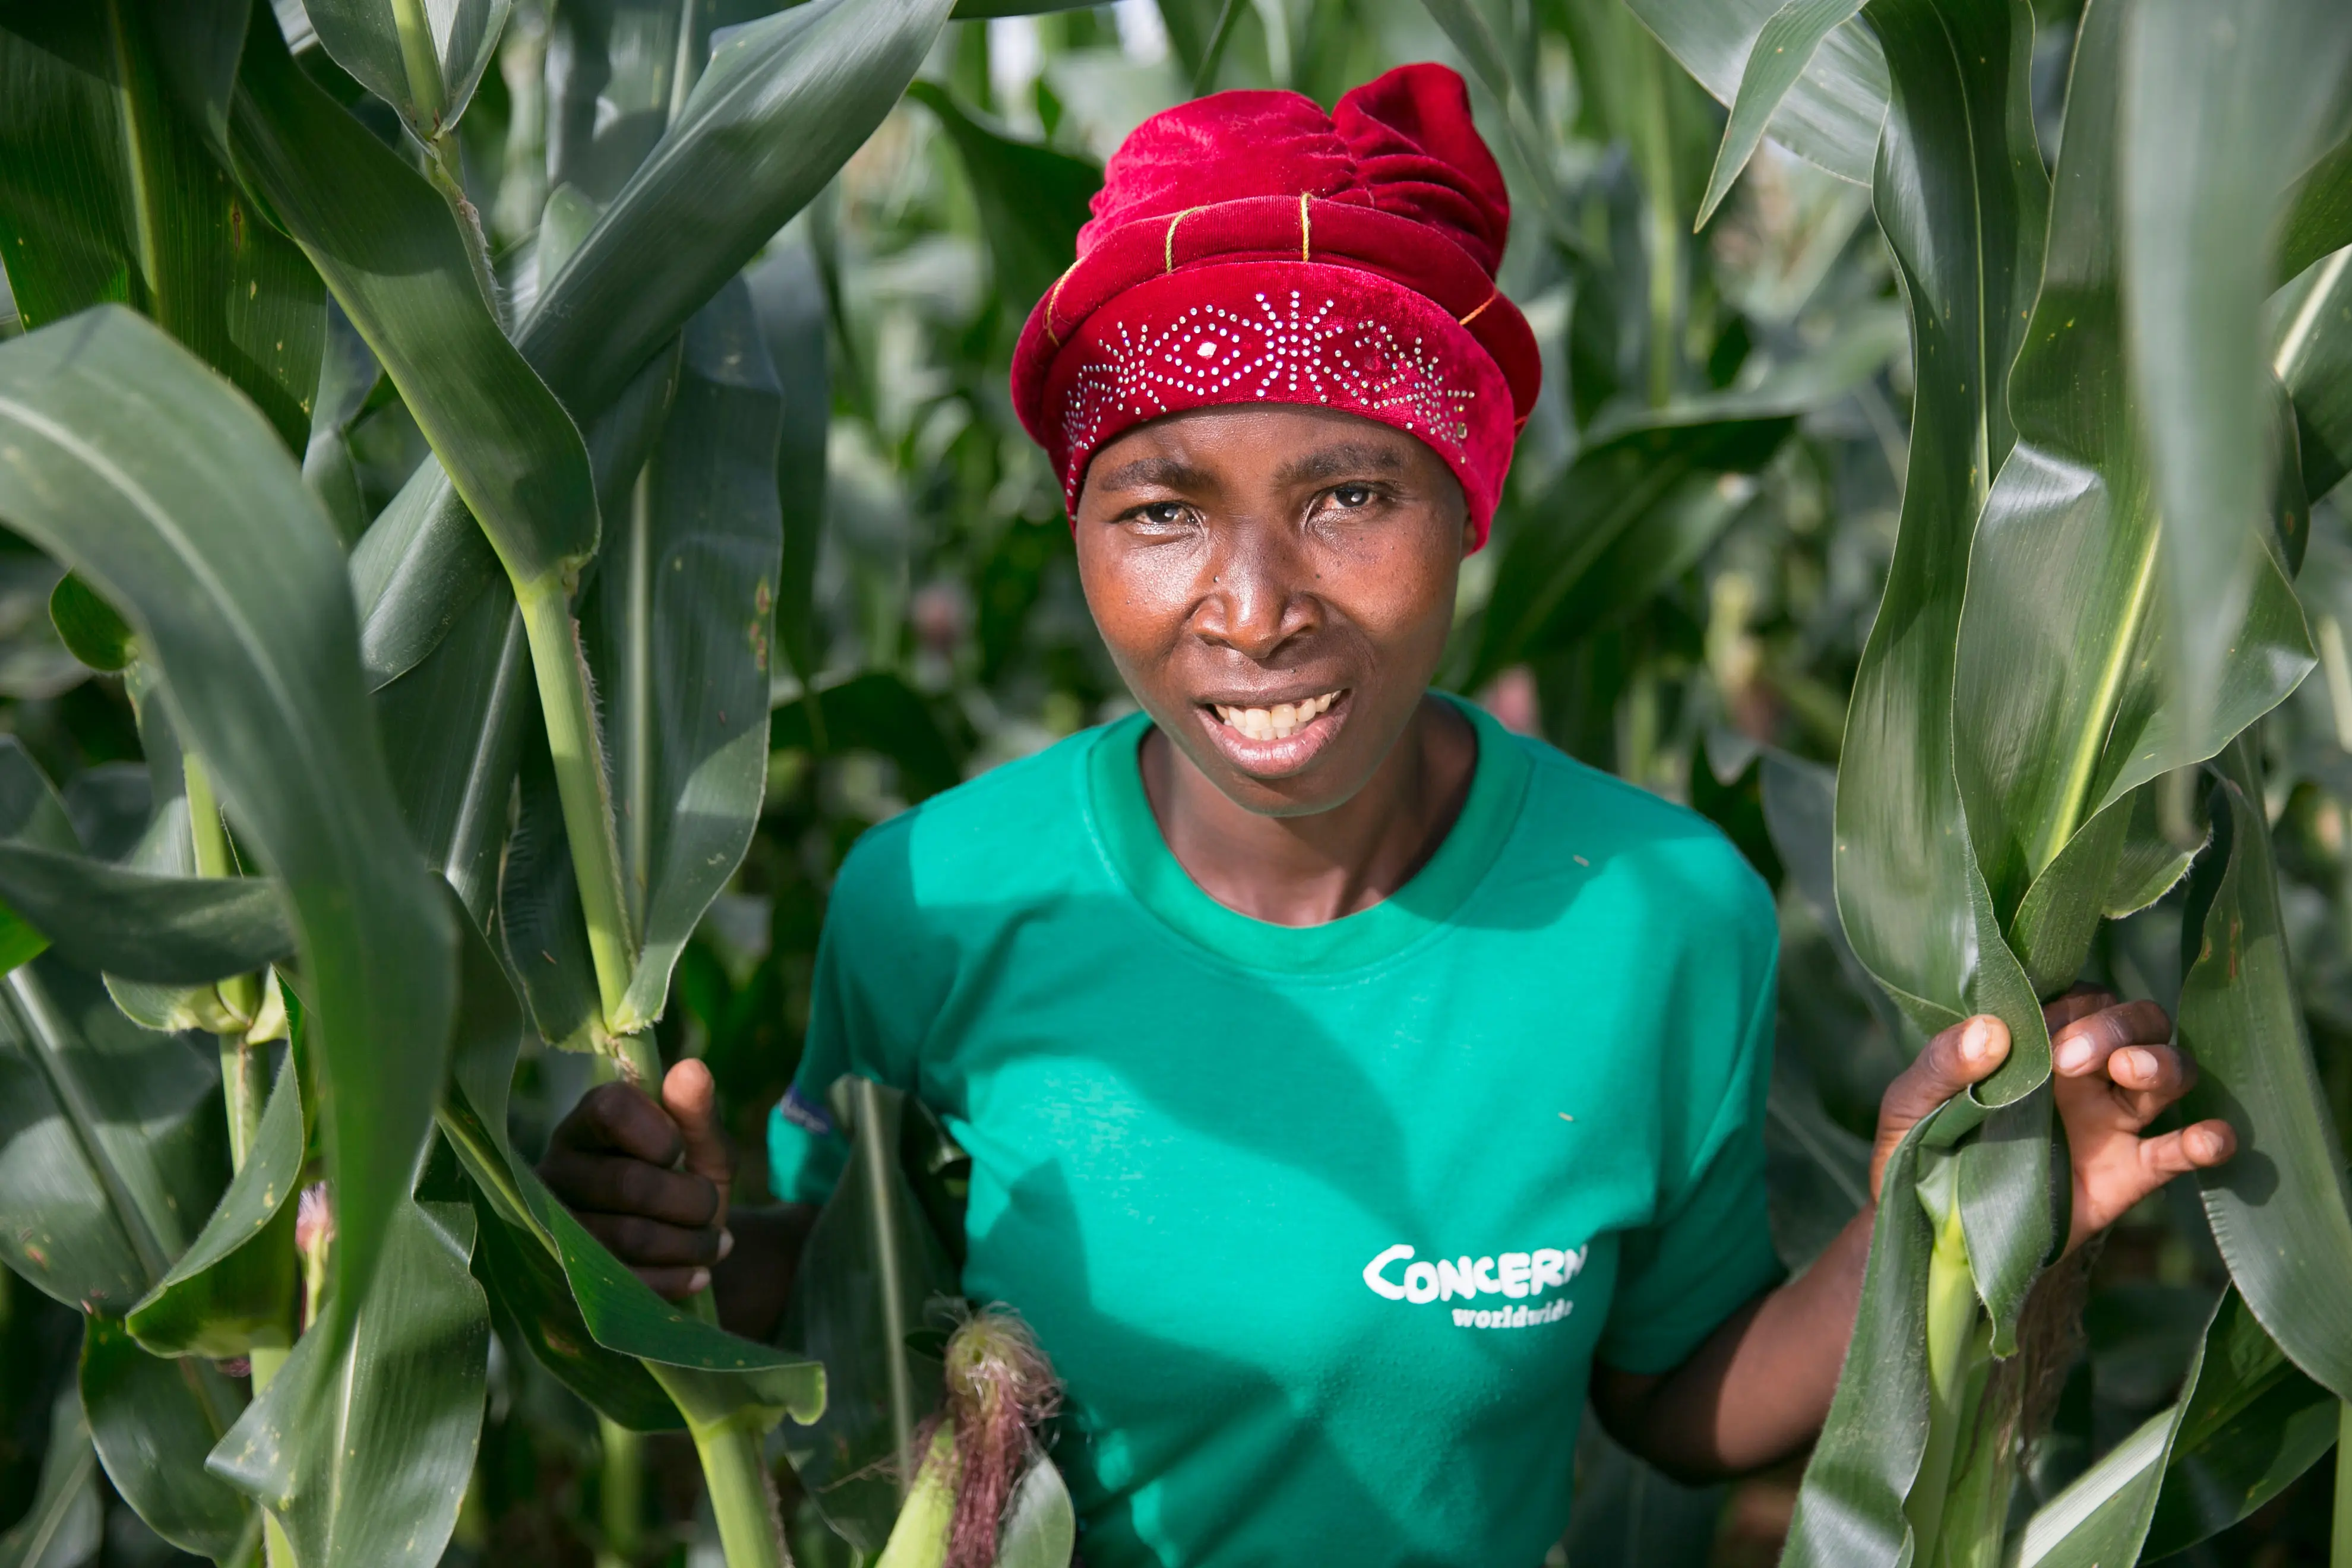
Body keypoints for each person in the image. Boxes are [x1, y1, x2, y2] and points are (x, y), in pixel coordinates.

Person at [539, 64, 2235, 1567]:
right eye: (1161, 509)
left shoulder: (1654, 917)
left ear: (1470, 503)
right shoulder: (934, 902)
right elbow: (848, 1296)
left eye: (1350, 495)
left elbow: (1676, 1398)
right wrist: (676, 1241)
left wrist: (1934, 1214)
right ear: (1076, 534)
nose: (1257, 606)